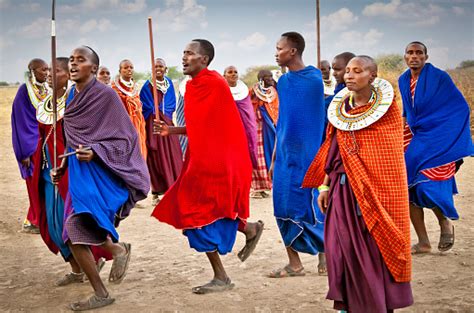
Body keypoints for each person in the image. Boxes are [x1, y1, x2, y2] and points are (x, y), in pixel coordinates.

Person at [303, 55, 413, 313]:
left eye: (357, 71)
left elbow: (388, 159)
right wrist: (325, 186)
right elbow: (334, 151)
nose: (349, 76)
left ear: (372, 76)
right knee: (342, 249)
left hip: (377, 193)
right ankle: (349, 305)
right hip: (342, 191)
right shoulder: (341, 110)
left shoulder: (388, 113)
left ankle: (377, 304)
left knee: (375, 249)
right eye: (348, 71)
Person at [152, 39, 262, 293]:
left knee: (195, 214)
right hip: (202, 158)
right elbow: (197, 126)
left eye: (189, 53)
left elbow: (220, 128)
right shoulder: (192, 87)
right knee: (200, 212)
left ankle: (222, 276)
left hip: (221, 161)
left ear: (204, 59)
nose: (184, 57)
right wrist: (172, 130)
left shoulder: (215, 84)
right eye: (183, 52)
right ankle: (248, 228)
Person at [52, 46, 150, 310]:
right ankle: (116, 252)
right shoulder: (72, 95)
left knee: (75, 230)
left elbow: (125, 138)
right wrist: (63, 164)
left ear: (94, 68)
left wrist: (96, 151)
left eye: (80, 60)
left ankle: (102, 291)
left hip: (100, 174)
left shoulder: (106, 95)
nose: (73, 64)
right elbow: (73, 138)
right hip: (78, 174)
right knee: (77, 230)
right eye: (71, 60)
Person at [37, 57, 111, 286]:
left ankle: (106, 260)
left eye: (56, 71)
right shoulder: (45, 103)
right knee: (56, 223)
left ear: (67, 76)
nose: (50, 74)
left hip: (74, 168)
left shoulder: (75, 103)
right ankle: (77, 270)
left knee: (76, 224)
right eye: (48, 71)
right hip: (51, 169)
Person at [399, 41, 473, 254]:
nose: (414, 56)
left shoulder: (440, 78)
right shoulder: (404, 80)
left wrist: (444, 134)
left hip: (437, 139)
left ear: (426, 57)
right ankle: (423, 242)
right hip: (414, 138)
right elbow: (407, 112)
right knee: (408, 189)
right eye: (410, 53)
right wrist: (398, 135)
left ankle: (444, 222)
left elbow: (459, 107)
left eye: (419, 53)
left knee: (427, 185)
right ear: (405, 56)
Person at [269, 32, 326, 278]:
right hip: (283, 156)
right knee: (281, 206)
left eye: (279, 48)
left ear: (292, 51)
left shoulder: (313, 78)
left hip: (308, 156)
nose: (276, 52)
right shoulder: (283, 82)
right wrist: (273, 157)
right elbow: (282, 121)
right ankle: (294, 263)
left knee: (311, 205)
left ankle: (326, 257)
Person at [11, 58, 49, 234]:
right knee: (33, 185)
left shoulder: (45, 90)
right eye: (43, 70)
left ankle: (40, 219)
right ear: (32, 71)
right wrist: (24, 152)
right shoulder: (24, 91)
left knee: (44, 183)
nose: (47, 73)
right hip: (31, 146)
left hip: (44, 144)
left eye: (48, 70)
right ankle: (32, 221)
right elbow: (20, 122)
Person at [139, 58, 183, 205]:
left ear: (165, 69)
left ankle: (173, 187)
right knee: (156, 156)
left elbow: (171, 103)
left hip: (168, 123)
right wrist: (154, 111)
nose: (158, 68)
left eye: (161, 66)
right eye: (155, 66)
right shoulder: (147, 86)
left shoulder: (169, 83)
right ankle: (157, 192)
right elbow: (145, 106)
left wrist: (165, 114)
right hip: (153, 124)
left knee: (174, 153)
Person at [248, 69, 278, 199]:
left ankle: (266, 186)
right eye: (267, 77)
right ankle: (257, 188)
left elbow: (276, 109)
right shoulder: (253, 92)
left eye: (271, 76)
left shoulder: (274, 91)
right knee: (258, 157)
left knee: (270, 155)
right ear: (261, 78)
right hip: (257, 129)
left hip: (270, 128)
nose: (270, 79)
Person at [223, 65, 258, 169]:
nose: (233, 74)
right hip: (229, 129)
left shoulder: (244, 91)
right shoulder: (221, 90)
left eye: (235, 72)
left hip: (245, 128)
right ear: (224, 76)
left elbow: (248, 111)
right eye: (230, 72)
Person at [111, 59, 147, 158]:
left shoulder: (135, 88)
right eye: (126, 68)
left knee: (139, 151)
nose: (129, 70)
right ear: (120, 71)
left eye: (131, 67)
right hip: (122, 126)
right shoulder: (114, 89)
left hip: (137, 125)